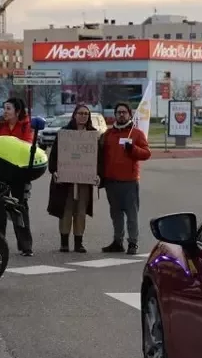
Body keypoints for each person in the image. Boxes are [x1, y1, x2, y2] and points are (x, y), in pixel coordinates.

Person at [99, 101, 152, 255]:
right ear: (115, 115)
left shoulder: (136, 134)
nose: (121, 115)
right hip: (111, 181)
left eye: (124, 112)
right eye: (118, 112)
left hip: (129, 181)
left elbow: (146, 153)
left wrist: (133, 149)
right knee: (115, 214)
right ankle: (117, 241)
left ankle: (133, 243)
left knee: (131, 214)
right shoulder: (108, 134)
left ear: (129, 115)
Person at [47, 104, 98, 254]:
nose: (83, 116)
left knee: (81, 211)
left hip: (84, 180)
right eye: (80, 113)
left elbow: (98, 158)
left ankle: (78, 243)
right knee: (66, 210)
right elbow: (54, 156)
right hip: (66, 181)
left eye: (86, 114)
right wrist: (54, 171)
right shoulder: (64, 133)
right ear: (74, 115)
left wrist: (98, 174)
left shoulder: (93, 134)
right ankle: (64, 242)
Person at [0, 97, 35, 256]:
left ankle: (25, 246)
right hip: (0, 173)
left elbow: (27, 146)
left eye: (8, 109)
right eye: (4, 108)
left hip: (19, 174)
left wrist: (7, 147)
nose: (5, 112)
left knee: (20, 207)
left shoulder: (26, 127)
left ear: (17, 111)